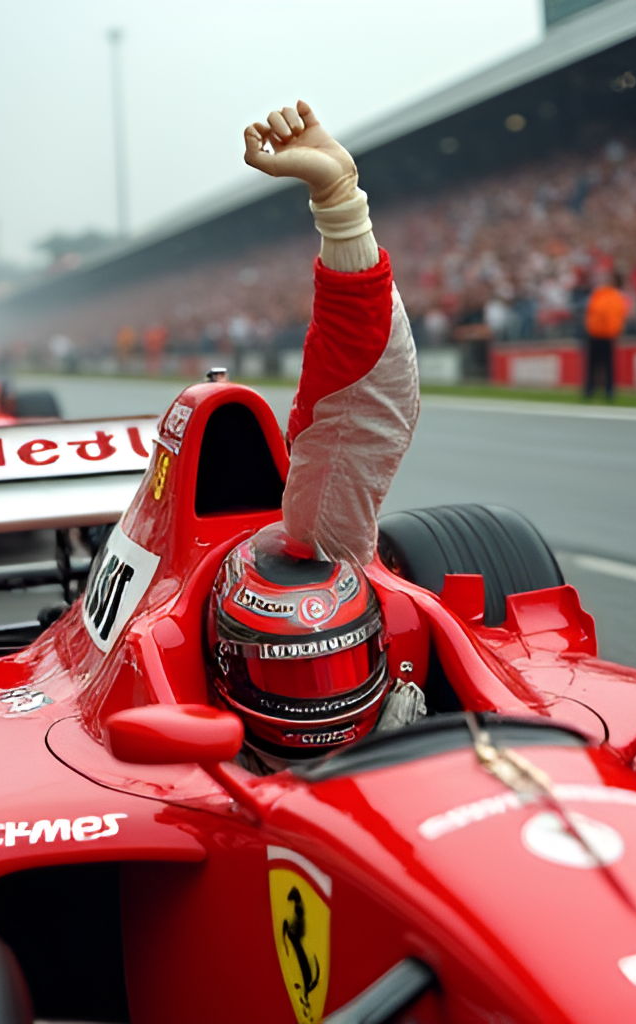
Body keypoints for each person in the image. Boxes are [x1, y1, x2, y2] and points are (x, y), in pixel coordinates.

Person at [205, 102, 422, 773]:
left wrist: (342, 204)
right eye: (295, 676)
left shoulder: (321, 527)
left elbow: (366, 397)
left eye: (341, 665)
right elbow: (367, 400)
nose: (325, 703)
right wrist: (340, 206)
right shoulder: (321, 523)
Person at [582, 272, 629, 400]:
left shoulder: (611, 296)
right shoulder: (603, 295)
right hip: (597, 333)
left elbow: (615, 314)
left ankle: (606, 390)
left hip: (606, 334)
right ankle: (593, 389)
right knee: (596, 364)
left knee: (604, 364)